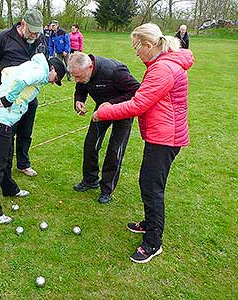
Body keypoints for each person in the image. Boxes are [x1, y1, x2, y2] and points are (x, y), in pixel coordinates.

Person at [92, 23, 194, 263]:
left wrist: (104, 111)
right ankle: (149, 224)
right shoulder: (161, 64)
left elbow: (138, 104)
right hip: (161, 134)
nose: (136, 53)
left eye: (137, 47)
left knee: (151, 187)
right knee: (148, 182)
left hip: (166, 138)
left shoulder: (163, 69)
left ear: (149, 46)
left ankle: (153, 242)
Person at [0, 54, 66, 224]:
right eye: (55, 78)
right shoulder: (40, 72)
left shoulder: (32, 65)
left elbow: (7, 72)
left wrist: (10, 97)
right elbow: (20, 81)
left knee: (6, 156)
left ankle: (9, 188)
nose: (51, 82)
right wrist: (7, 99)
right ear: (53, 69)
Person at [68, 52, 140, 204]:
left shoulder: (115, 71)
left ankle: (106, 189)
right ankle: (90, 180)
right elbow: (81, 86)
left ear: (90, 67)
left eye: (79, 76)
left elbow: (136, 90)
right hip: (100, 111)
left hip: (123, 111)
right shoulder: (83, 72)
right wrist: (79, 100)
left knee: (115, 150)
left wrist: (112, 103)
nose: (77, 80)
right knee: (90, 144)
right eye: (75, 77)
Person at [0, 9, 47, 177]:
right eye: (32, 31)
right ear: (23, 24)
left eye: (38, 32)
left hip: (29, 95)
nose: (35, 35)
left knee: (26, 131)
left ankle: (23, 163)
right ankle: (5, 167)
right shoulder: (3, 38)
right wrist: (9, 77)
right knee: (8, 131)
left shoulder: (40, 38)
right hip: (9, 95)